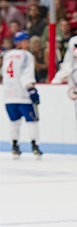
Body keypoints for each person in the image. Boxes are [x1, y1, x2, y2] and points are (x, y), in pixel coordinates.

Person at [1, 31, 42, 159]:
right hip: (23, 96)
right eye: (25, 41)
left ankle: (15, 146)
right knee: (32, 122)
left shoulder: (7, 55)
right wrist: (32, 90)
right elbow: (27, 75)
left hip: (9, 96)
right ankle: (35, 146)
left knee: (14, 123)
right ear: (18, 42)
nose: (27, 43)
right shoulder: (27, 55)